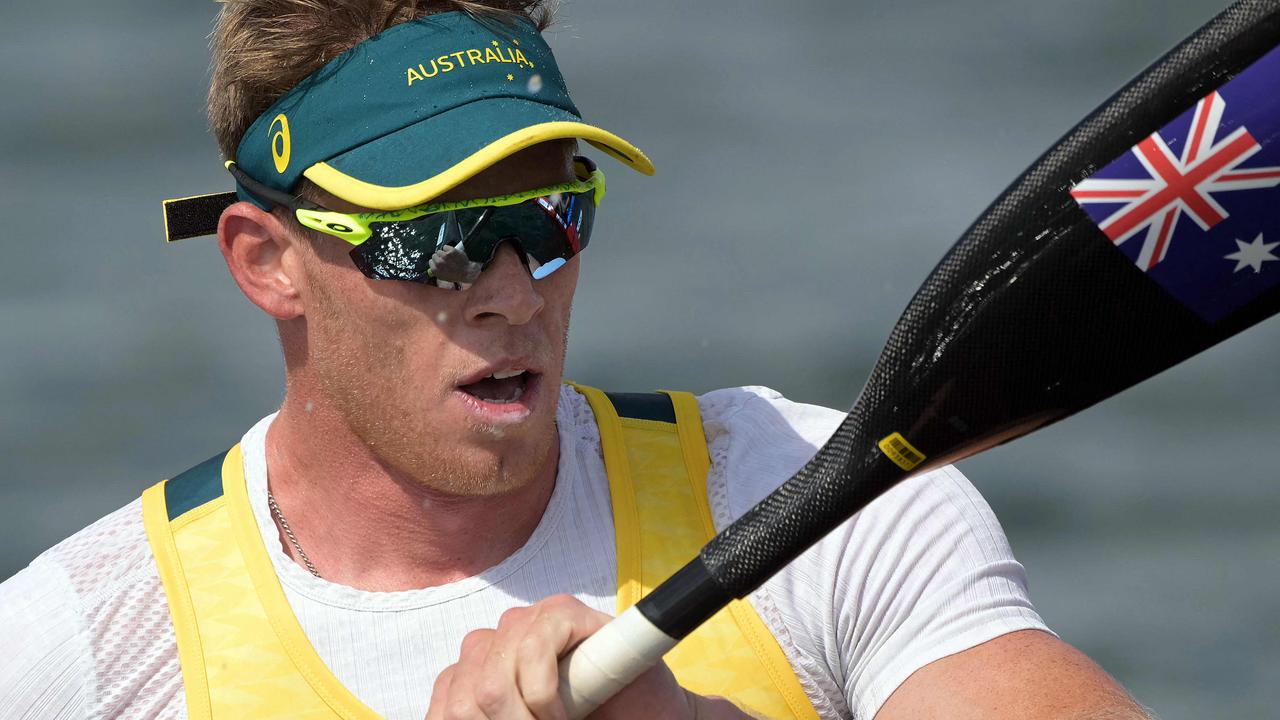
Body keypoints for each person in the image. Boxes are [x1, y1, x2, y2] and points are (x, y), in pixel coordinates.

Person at [0, 2, 1153, 718]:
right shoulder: (79, 651)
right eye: (437, 237)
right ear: (266, 263)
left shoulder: (805, 496)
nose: (511, 290)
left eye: (551, 219)